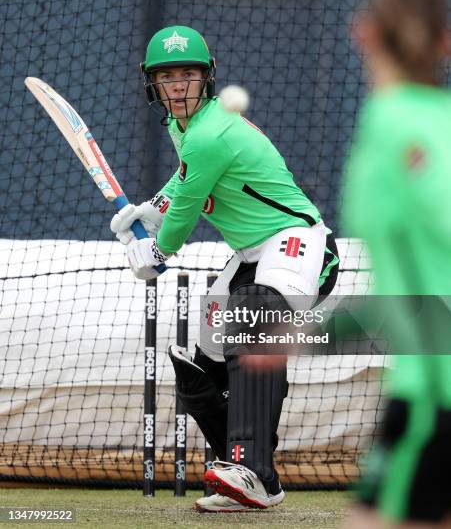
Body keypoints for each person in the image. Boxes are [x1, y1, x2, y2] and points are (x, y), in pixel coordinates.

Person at [110, 25, 339, 512]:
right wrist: (155, 205)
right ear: (153, 84)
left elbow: (187, 213)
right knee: (200, 369)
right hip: (253, 254)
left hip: (299, 246)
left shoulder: (209, 133)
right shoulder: (182, 127)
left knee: (253, 318)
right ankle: (250, 480)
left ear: (207, 78)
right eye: (166, 76)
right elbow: (187, 181)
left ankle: (252, 469)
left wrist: (157, 252)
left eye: (187, 75)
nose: (177, 86)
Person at [342, 0, 451, 528]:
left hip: (435, 391)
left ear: (364, 34)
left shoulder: (391, 123)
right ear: (445, 43)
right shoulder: (437, 120)